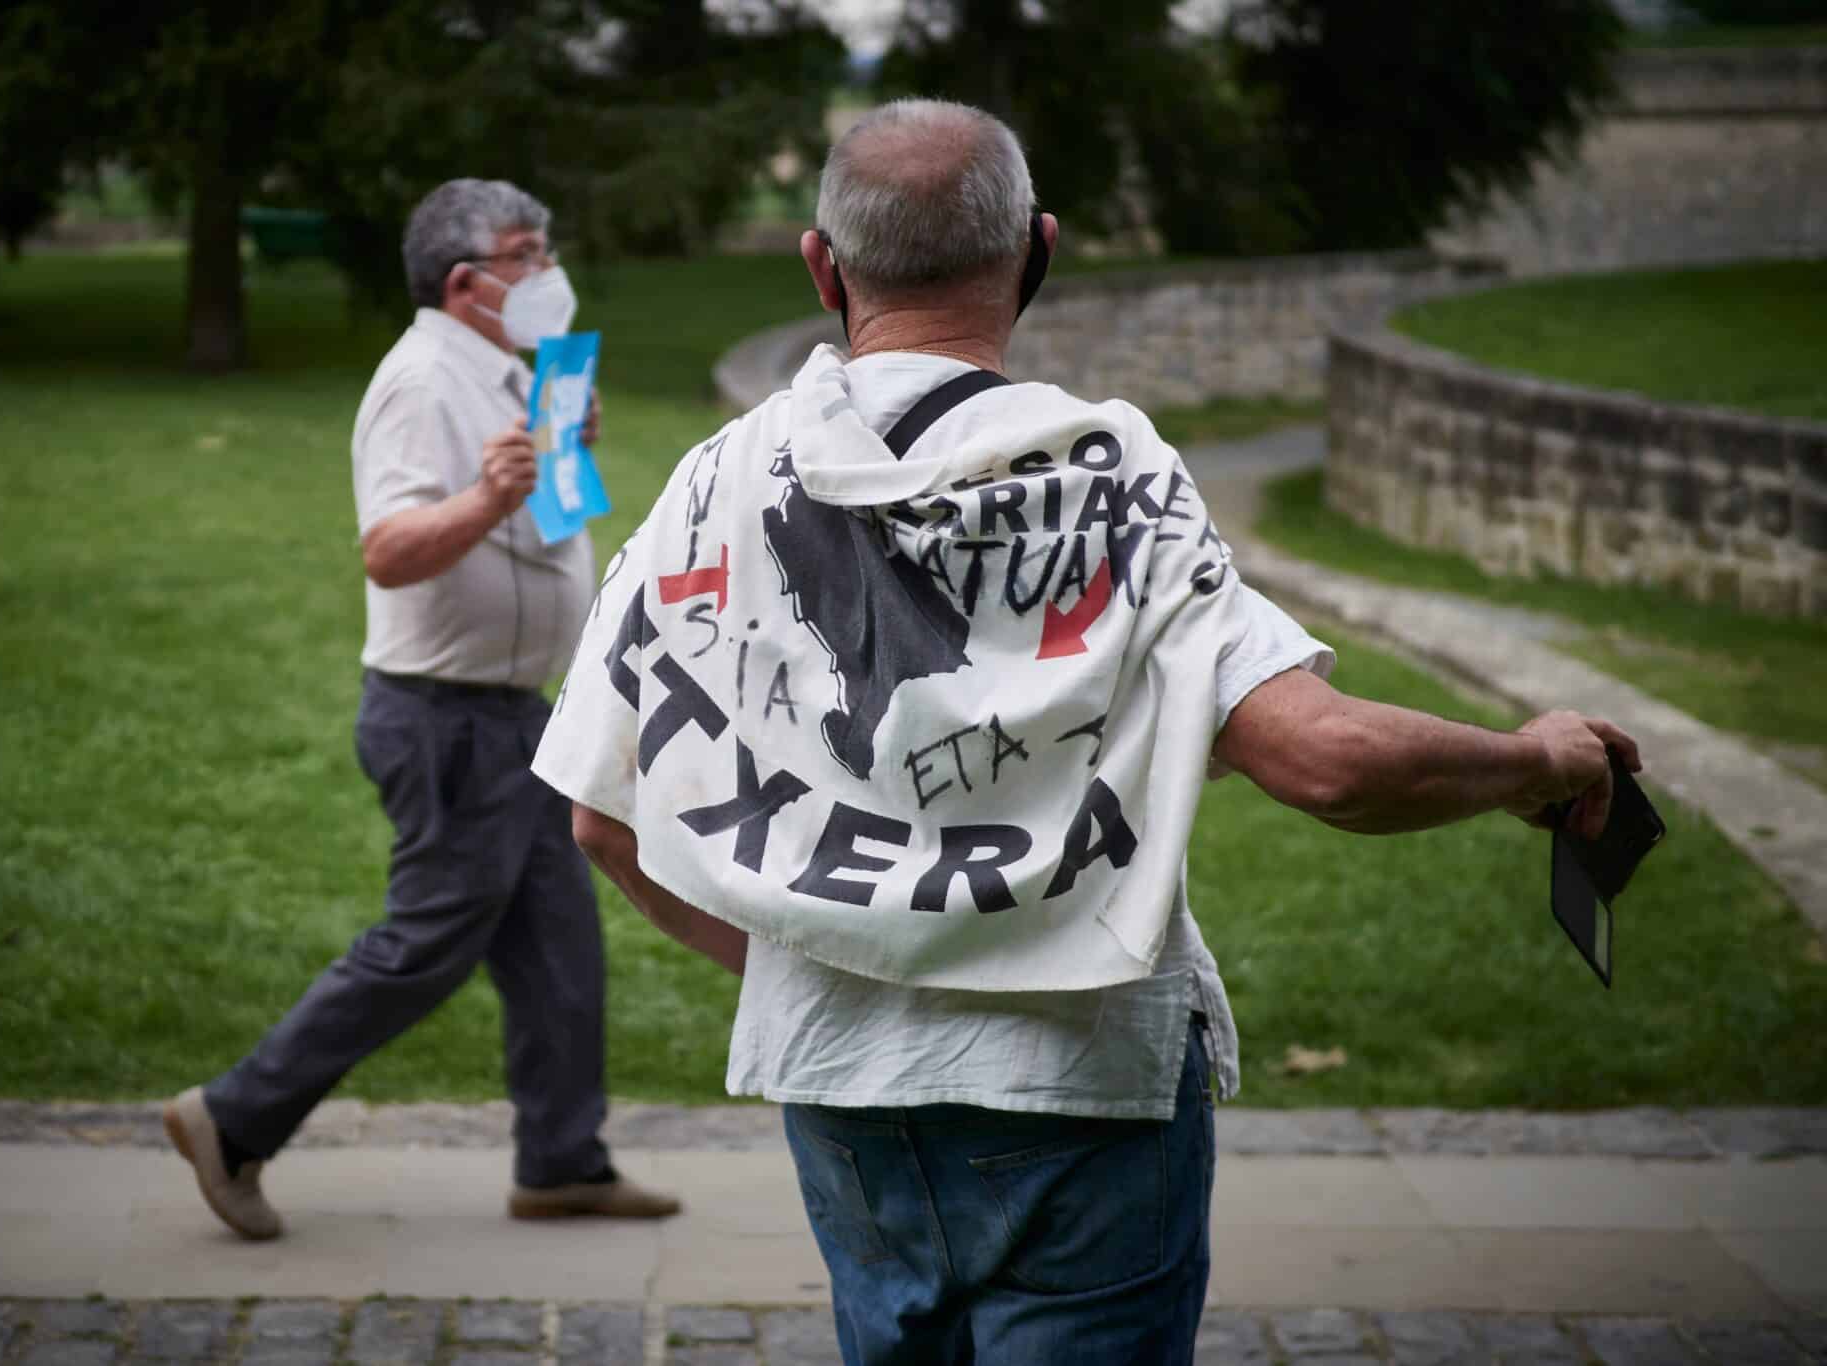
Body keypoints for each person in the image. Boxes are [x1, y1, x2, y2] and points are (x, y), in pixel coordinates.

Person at [528, 101, 1638, 1363]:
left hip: (834, 1073)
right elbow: (1322, 759)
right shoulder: (1105, 477)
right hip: (1080, 1085)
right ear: (1039, 253)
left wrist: (830, 948)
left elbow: (597, 815)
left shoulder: (711, 485)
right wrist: (1535, 760)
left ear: (821, 267)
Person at [164, 178, 679, 1241]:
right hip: (443, 719)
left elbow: (552, 527)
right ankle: (230, 1117)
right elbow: (388, 552)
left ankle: (561, 1163)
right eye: (527, 254)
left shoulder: (514, 376)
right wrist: (487, 498)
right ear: (466, 281)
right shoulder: (417, 384)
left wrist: (565, 450)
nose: (549, 271)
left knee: (558, 950)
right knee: (426, 945)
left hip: (519, 713)